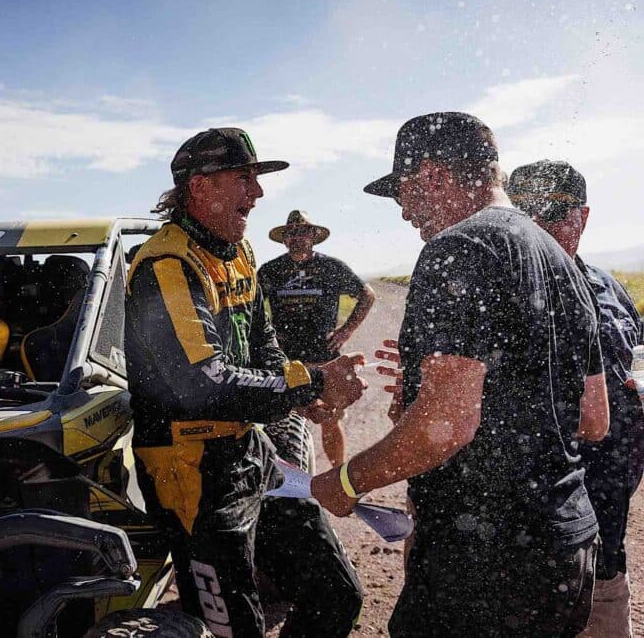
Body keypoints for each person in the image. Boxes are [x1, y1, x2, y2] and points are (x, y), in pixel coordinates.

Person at [311, 112, 610, 637]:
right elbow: (593, 419)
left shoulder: (459, 249)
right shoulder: (559, 259)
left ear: (430, 175)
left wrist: (345, 481)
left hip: (488, 562)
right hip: (568, 547)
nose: (404, 212)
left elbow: (442, 429)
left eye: (402, 192)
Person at [125, 127, 366, 638]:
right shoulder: (166, 263)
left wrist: (306, 397)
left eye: (256, 179)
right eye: (244, 179)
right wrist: (312, 380)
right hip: (190, 470)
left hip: (247, 450)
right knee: (235, 628)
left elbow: (264, 345)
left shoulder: (241, 252)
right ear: (199, 186)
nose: (257, 194)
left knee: (337, 594)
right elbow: (203, 382)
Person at [507, 160, 644, 638]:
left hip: (608, 531)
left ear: (582, 217)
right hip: (537, 542)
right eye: (525, 211)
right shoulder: (502, 293)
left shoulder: (610, 288)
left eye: (554, 211)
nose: (539, 224)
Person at [260, 210, 376, 468]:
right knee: (283, 423)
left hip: (325, 360)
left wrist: (346, 330)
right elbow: (251, 308)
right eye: (291, 233)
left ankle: (338, 476)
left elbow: (367, 295)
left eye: (303, 232)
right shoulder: (271, 270)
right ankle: (290, 489)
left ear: (313, 236)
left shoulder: (331, 267)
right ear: (284, 239)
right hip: (288, 361)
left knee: (330, 419)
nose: (297, 238)